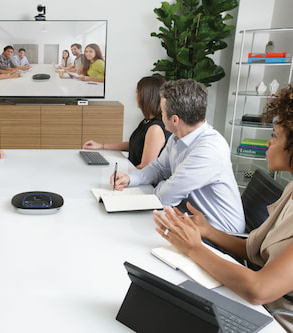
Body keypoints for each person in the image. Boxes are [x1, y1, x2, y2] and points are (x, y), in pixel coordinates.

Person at [152, 84, 293, 331]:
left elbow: (258, 291)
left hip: (275, 318)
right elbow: (254, 251)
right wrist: (208, 231)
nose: (269, 142)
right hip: (257, 302)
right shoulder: (291, 190)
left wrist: (194, 248)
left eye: (277, 136)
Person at [112, 79, 244, 233]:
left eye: (162, 112)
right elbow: (158, 168)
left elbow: (166, 196)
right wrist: (131, 179)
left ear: (175, 120)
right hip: (190, 220)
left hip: (220, 233)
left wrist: (165, 185)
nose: (160, 116)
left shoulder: (209, 149)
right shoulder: (177, 137)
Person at [83, 75, 171, 168]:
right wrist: (101, 146)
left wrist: (123, 175)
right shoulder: (147, 121)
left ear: (147, 97)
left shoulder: (155, 129)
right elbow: (135, 144)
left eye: (137, 93)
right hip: (135, 176)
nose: (136, 96)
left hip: (142, 180)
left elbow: (146, 168)